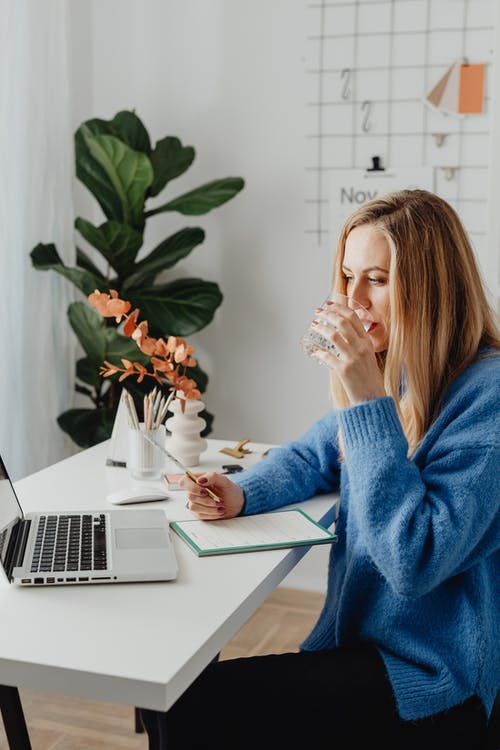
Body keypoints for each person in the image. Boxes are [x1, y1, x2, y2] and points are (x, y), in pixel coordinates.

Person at [140, 189, 500, 749]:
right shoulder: (400, 371)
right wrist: (240, 490)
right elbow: (314, 452)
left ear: (431, 287)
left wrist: (365, 401)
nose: (353, 298)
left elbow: (414, 561)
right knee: (174, 696)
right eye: (348, 276)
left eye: (376, 280)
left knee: (193, 706)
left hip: (434, 676)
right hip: (356, 643)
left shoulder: (488, 396)